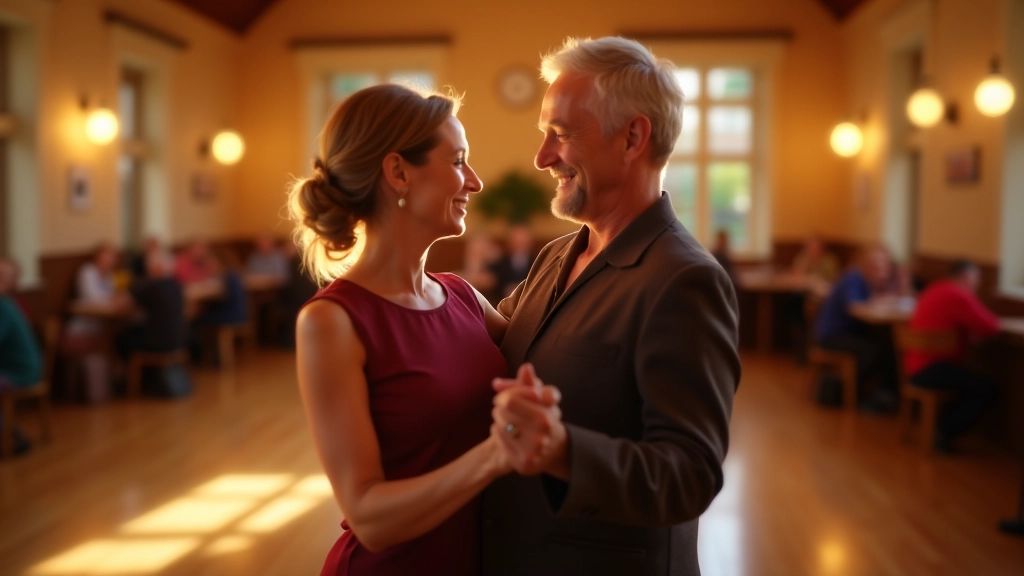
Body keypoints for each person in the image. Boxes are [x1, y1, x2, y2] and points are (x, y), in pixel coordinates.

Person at [482, 37, 741, 576]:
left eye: (562, 134)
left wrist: (563, 451)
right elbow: (501, 337)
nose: (543, 157)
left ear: (632, 138)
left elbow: (690, 473)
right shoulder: (559, 252)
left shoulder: (685, 280)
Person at [289, 83, 557, 575]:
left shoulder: (460, 295)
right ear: (398, 172)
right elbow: (368, 516)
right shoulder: (332, 321)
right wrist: (496, 455)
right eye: (458, 160)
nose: (474, 181)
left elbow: (551, 344)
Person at [904, 260, 1000, 452]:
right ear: (967, 278)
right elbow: (991, 326)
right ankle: (942, 431)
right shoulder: (958, 295)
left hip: (915, 366)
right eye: (976, 280)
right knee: (986, 388)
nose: (977, 285)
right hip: (932, 368)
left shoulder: (935, 289)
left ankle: (940, 428)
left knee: (969, 381)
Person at [814, 244, 900, 409]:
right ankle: (847, 392)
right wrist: (878, 302)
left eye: (884, 266)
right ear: (865, 265)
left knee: (886, 348)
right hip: (832, 336)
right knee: (874, 351)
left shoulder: (866, 280)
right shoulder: (853, 278)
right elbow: (853, 307)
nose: (880, 271)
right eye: (876, 266)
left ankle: (880, 396)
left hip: (848, 333)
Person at [0, 258, 43, 456]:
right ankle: (13, 434)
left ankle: (11, 436)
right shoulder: (8, 303)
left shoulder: (4, 306)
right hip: (20, 368)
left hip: (21, 372)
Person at [488, 223, 535, 300]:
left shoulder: (539, 261)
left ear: (529, 242)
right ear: (509, 242)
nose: (519, 244)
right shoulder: (499, 263)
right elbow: (493, 282)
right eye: (516, 241)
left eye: (522, 241)